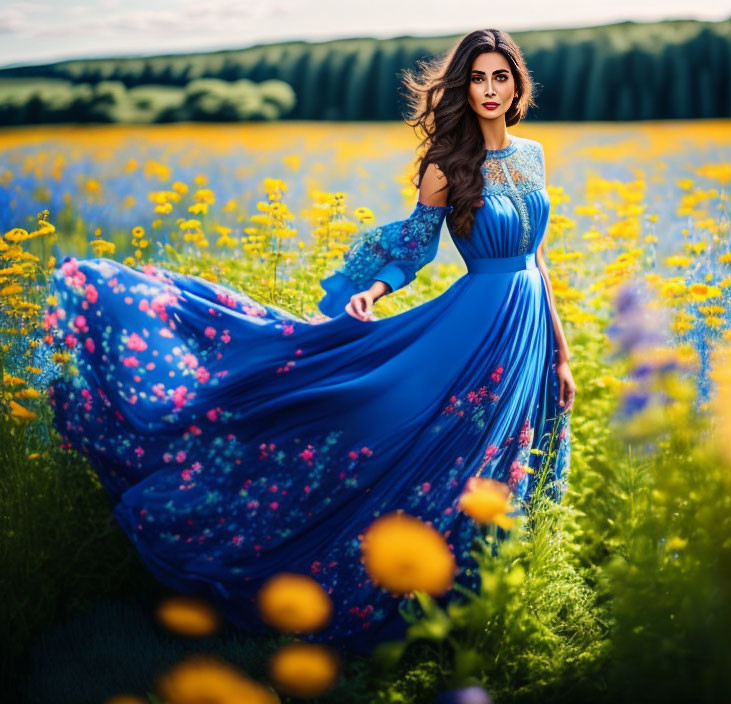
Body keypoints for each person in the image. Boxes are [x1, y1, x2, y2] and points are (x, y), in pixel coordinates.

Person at [46, 28, 575, 652]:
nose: (489, 90)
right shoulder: (446, 166)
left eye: (501, 78)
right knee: (429, 441)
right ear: (463, 87)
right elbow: (413, 247)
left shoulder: (534, 155)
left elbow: (538, 262)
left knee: (508, 451)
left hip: (530, 328)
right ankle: (417, 594)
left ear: (517, 85)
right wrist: (372, 291)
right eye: (478, 78)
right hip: (473, 329)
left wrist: (563, 354)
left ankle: (491, 585)